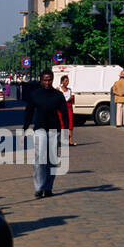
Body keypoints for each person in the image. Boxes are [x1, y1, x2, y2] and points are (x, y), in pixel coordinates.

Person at [23, 69, 66, 198]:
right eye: (45, 80)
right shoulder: (35, 94)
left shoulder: (58, 95)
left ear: (52, 80)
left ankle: (48, 187)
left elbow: (64, 113)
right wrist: (25, 128)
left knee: (52, 161)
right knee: (39, 159)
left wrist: (67, 130)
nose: (47, 82)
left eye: (49, 80)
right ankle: (39, 187)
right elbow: (29, 112)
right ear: (41, 80)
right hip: (40, 129)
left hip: (54, 129)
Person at [58, 73, 77, 146]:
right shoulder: (58, 89)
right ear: (62, 81)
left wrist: (71, 98)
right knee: (61, 124)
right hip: (60, 108)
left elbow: (71, 100)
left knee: (70, 124)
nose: (67, 82)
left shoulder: (69, 90)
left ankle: (70, 141)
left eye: (68, 81)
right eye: (65, 81)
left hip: (68, 108)